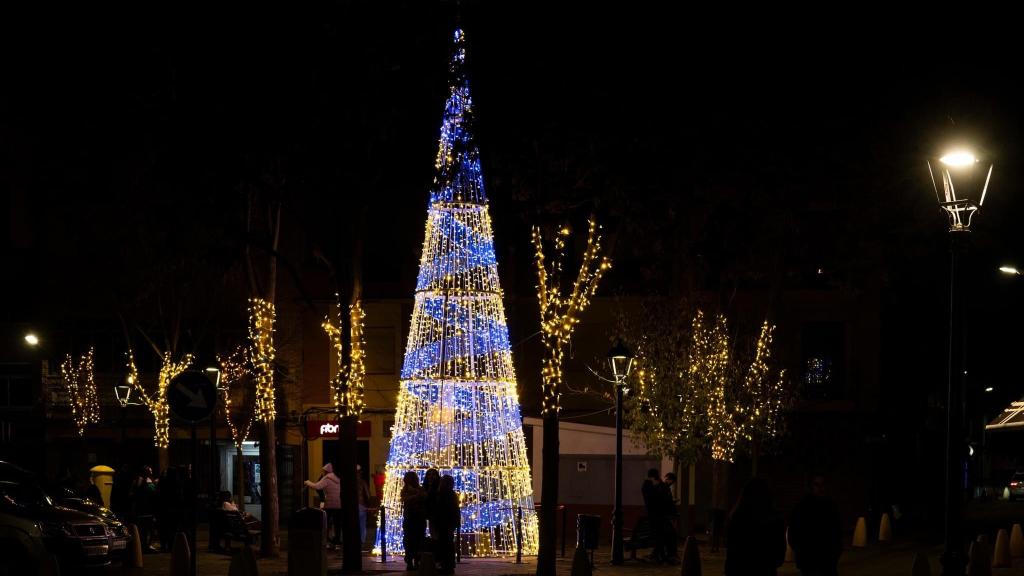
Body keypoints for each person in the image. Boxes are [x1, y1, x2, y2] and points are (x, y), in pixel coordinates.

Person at [724, 477, 786, 576]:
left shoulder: (738, 519)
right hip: (765, 570)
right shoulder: (774, 520)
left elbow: (732, 553)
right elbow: (779, 554)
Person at [788, 474, 842, 576]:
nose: (820, 488)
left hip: (827, 562)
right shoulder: (802, 508)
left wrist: (835, 553)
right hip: (809, 563)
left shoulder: (830, 507)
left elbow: (837, 532)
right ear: (811, 487)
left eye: (822, 485)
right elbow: (793, 534)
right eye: (817, 485)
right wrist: (802, 554)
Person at [305, 463, 341, 548]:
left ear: (326, 471)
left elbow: (317, 486)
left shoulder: (327, 478)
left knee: (326, 523)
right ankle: (337, 540)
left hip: (329, 504)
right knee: (337, 524)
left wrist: (308, 482)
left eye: (323, 471)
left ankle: (326, 539)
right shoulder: (338, 478)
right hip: (339, 504)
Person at [433, 475, 460, 575]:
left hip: (443, 522)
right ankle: (448, 565)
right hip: (449, 522)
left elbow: (440, 509)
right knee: (448, 544)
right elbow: (456, 510)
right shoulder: (451, 494)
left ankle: (445, 564)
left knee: (444, 544)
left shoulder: (442, 494)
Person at [401, 472, 427, 571]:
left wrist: (414, 494)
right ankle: (411, 561)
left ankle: (416, 560)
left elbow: (424, 496)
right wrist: (416, 495)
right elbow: (405, 499)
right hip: (410, 518)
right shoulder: (406, 490)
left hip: (418, 518)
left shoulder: (418, 489)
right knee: (409, 540)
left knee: (417, 540)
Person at [131, 465, 158, 553]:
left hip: (141, 509)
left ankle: (144, 545)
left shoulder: (138, 480)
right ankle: (146, 546)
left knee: (144, 529)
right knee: (147, 529)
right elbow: (152, 492)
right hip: (146, 508)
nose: (151, 472)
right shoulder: (145, 481)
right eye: (149, 471)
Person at [641, 468, 666, 562]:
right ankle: (659, 555)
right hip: (659, 516)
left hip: (652, 515)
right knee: (660, 535)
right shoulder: (658, 486)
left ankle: (658, 554)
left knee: (658, 535)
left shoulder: (647, 487)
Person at [659, 472, 680, 563]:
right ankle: (671, 555)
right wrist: (672, 502)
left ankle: (671, 554)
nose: (671, 483)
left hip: (665, 517)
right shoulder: (664, 488)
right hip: (665, 517)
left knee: (671, 534)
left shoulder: (664, 488)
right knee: (671, 535)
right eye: (671, 481)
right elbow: (666, 503)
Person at [356, 464, 371, 547]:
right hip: (362, 506)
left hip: (352, 506)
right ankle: (362, 541)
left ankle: (355, 541)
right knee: (362, 525)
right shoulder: (363, 482)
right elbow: (368, 495)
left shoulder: (349, 482)